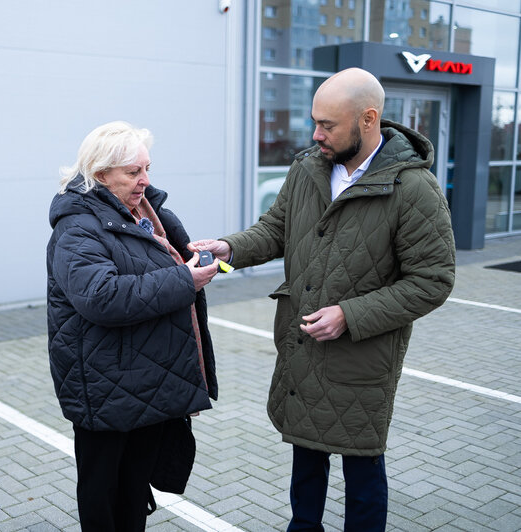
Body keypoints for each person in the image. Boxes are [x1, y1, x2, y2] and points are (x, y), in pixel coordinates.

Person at [190, 68, 455, 531]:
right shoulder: (309, 168)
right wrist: (230, 249)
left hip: (361, 359)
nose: (316, 134)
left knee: (362, 467)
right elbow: (275, 229)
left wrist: (349, 316)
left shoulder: (413, 190)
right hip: (302, 348)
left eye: (327, 125)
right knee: (305, 459)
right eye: (314, 122)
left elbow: (432, 280)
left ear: (368, 119)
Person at [46, 121, 219, 531]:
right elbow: (101, 297)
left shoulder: (144, 213)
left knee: (135, 487)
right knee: (103, 492)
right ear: (101, 174)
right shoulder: (77, 227)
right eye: (133, 172)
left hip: (146, 378)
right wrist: (184, 280)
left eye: (147, 169)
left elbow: (156, 267)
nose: (144, 180)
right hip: (104, 383)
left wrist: (192, 259)